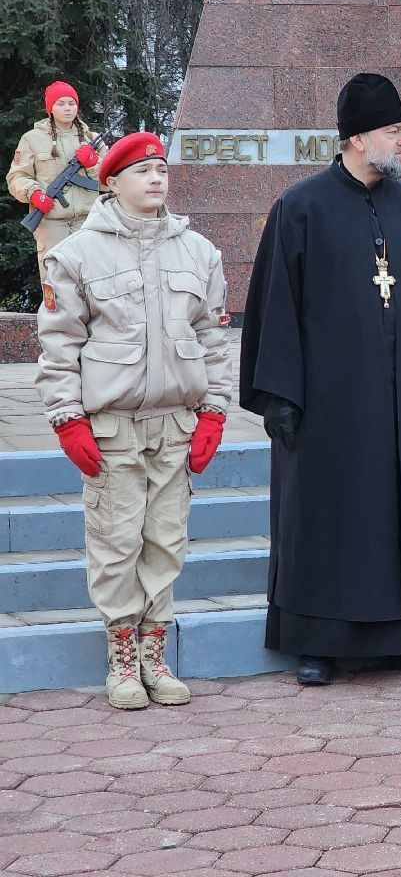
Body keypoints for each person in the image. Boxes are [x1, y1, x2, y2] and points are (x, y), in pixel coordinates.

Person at [239, 73, 401, 686]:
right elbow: (275, 307)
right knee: (327, 512)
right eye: (395, 131)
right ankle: (318, 640)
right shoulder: (300, 208)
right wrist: (278, 395)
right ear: (357, 137)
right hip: (329, 404)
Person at [35, 132, 231, 710]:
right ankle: (122, 657)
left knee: (165, 542)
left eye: (162, 169)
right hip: (111, 426)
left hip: (175, 424)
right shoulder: (76, 255)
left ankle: (154, 652)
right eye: (142, 170)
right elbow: (59, 345)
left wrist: (215, 411)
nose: (156, 178)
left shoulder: (201, 252)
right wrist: (67, 418)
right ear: (111, 182)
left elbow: (213, 340)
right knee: (116, 542)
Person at [8, 81, 105, 280]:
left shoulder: (91, 139)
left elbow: (112, 180)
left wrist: (94, 163)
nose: (68, 108)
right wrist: (34, 194)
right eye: (61, 103)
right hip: (51, 223)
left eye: (72, 103)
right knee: (55, 280)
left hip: (88, 221)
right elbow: (16, 177)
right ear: (50, 108)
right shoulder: (32, 139)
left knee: (90, 279)